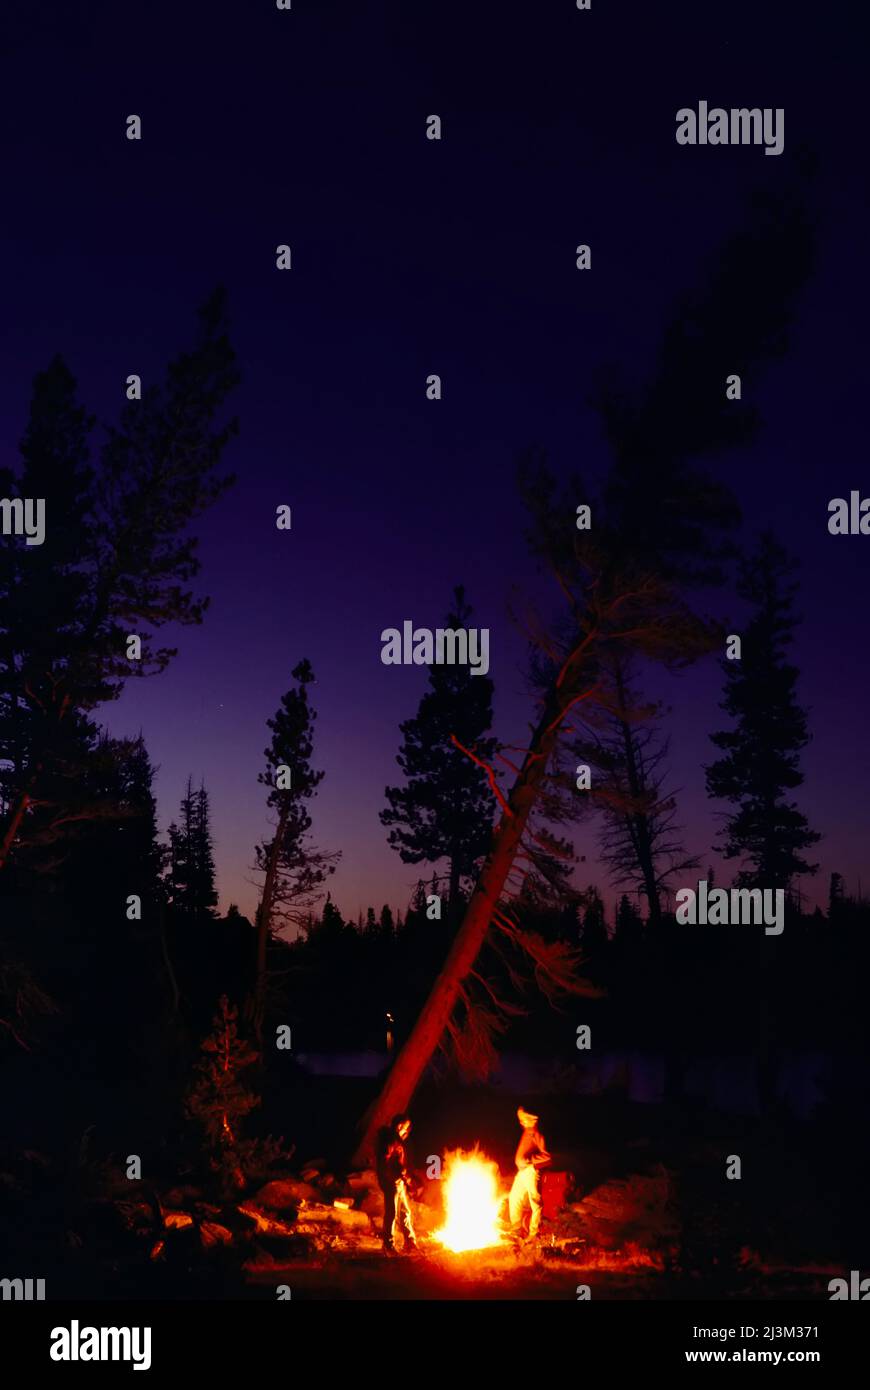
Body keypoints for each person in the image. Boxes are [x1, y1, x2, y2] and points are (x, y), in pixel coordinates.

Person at [375, 1112, 422, 1254]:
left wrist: (406, 1178)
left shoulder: (396, 1140)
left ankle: (411, 1243)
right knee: (392, 1213)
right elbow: (387, 1161)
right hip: (391, 1181)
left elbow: (399, 1162)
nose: (406, 1131)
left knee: (405, 1212)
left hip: (397, 1181)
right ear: (399, 1126)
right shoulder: (389, 1140)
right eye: (405, 1128)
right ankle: (388, 1245)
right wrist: (403, 1175)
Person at [508, 1106, 551, 1243]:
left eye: (523, 1119)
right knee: (514, 1197)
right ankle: (516, 1229)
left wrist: (531, 1160)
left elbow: (547, 1157)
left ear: (530, 1119)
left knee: (535, 1202)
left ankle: (534, 1233)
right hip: (521, 1172)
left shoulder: (537, 1134)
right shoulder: (527, 1133)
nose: (521, 1122)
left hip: (531, 1171)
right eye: (520, 1119)